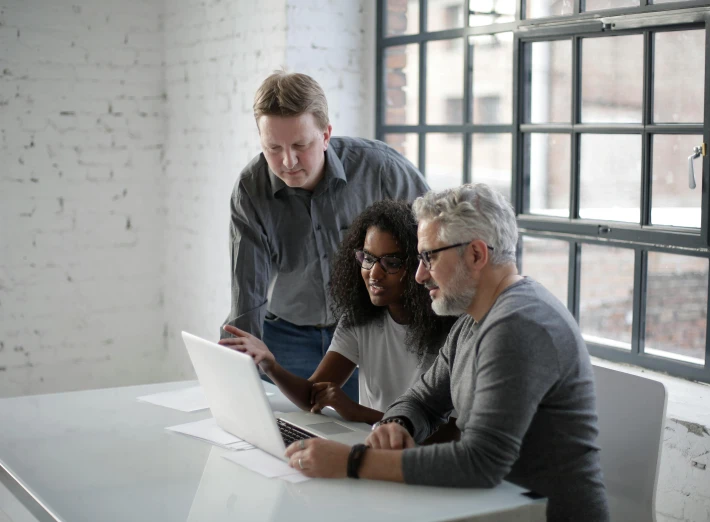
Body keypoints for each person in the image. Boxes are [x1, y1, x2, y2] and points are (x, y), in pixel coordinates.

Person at [283, 184, 610, 522]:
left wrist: (352, 462)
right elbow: (422, 401)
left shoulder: (518, 326)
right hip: (491, 508)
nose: (420, 274)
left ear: (476, 255)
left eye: (429, 257)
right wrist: (398, 424)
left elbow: (480, 463)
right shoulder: (473, 321)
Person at [221, 71, 429, 402]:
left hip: (368, 330)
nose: (287, 162)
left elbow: (433, 241)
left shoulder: (380, 169)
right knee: (286, 437)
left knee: (365, 433)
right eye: (273, 147)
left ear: (326, 134)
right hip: (286, 334)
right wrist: (235, 370)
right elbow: (248, 291)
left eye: (301, 145)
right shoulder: (251, 189)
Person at [220, 200, 456, 429]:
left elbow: (451, 435)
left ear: (421, 264)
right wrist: (270, 364)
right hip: (372, 446)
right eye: (368, 258)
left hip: (423, 459)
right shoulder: (361, 317)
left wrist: (357, 412)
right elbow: (314, 395)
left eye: (391, 262)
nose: (374, 273)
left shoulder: (452, 329)